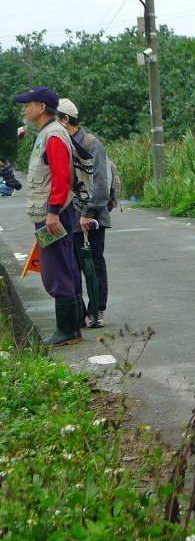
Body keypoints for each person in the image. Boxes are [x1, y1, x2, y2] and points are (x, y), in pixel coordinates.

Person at [13, 86, 82, 346]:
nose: (24, 108)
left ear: (41, 107)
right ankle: (72, 329)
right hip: (53, 214)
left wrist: (52, 213)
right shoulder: (49, 133)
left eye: (28, 104)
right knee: (65, 266)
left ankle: (66, 331)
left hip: (53, 216)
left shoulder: (52, 135)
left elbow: (62, 177)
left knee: (56, 270)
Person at [57, 99, 111, 328]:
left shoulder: (90, 143)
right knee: (72, 265)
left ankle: (96, 310)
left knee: (93, 264)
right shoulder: (61, 142)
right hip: (69, 217)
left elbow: (100, 183)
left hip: (91, 216)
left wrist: (88, 213)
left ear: (65, 119)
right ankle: (79, 312)